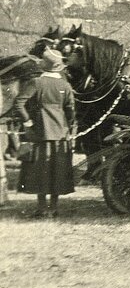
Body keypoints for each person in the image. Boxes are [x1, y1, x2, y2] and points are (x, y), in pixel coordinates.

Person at [15, 49, 75, 217]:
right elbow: (70, 110)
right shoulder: (65, 85)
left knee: (40, 170)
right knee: (57, 170)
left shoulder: (36, 83)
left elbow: (19, 103)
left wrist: (28, 122)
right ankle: (53, 208)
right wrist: (67, 127)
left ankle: (41, 208)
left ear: (44, 65)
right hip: (60, 135)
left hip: (40, 133)